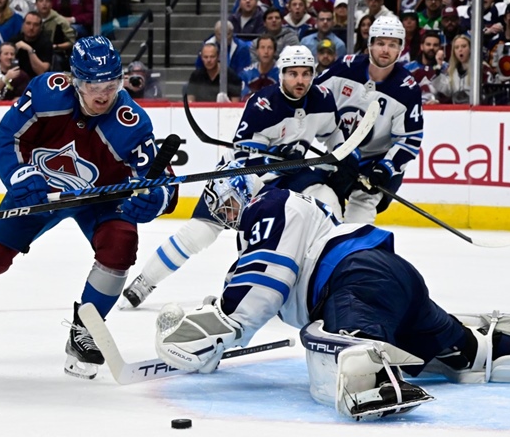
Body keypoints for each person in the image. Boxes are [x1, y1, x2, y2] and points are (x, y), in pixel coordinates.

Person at [154, 174, 510, 421]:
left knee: (343, 355)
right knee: (465, 353)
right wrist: (219, 320)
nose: (226, 216)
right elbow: (250, 286)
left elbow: (258, 291)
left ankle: (368, 367)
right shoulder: (295, 208)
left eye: (225, 204)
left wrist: (218, 328)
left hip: (356, 283)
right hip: (392, 277)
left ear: (240, 193)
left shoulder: (266, 206)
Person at [0, 36, 178, 381]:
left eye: (111, 85)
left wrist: (155, 200)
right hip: (39, 192)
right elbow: (5, 138)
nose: (102, 95)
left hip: (100, 199)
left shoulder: (131, 122)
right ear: (73, 80)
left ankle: (85, 331)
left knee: (121, 243)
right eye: (92, 85)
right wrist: (19, 175)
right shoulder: (46, 93)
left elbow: (162, 181)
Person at [121, 45, 347, 308]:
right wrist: (272, 157)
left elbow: (334, 136)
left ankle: (329, 281)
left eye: (306, 73)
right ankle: (145, 281)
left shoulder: (322, 98)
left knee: (326, 201)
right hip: (247, 176)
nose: (300, 80)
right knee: (201, 231)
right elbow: (244, 158)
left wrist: (339, 162)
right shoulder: (262, 104)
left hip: (292, 174)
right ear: (281, 73)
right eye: (293, 73)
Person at [316, 15, 423, 224]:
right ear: (370, 44)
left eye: (392, 45)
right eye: (380, 43)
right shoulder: (345, 68)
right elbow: (314, 102)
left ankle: (354, 251)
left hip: (376, 163)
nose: (385, 50)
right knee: (321, 205)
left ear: (400, 49)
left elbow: (409, 141)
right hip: (339, 154)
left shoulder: (407, 89)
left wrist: (386, 168)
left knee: (361, 209)